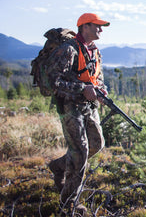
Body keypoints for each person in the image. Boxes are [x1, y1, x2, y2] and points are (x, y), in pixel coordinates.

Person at [47, 13, 110, 214]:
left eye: (101, 27)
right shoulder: (68, 50)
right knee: (80, 153)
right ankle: (68, 204)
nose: (101, 30)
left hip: (90, 106)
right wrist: (81, 89)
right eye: (97, 26)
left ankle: (58, 166)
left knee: (97, 144)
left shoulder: (94, 51)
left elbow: (96, 78)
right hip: (70, 108)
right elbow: (53, 82)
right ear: (84, 27)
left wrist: (100, 90)